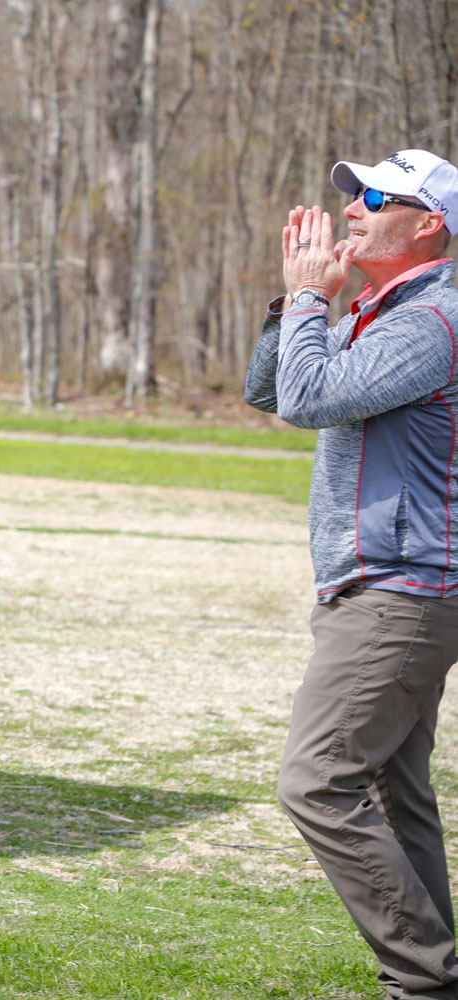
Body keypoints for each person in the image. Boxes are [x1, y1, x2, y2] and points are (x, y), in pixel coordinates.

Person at [245, 148, 458, 999]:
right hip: (382, 588)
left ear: (430, 224)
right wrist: (294, 304)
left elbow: (309, 401)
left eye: (375, 196)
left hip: (402, 591)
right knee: (392, 793)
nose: (353, 209)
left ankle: (425, 979)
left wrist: (310, 300)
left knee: (316, 781)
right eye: (354, 194)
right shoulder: (384, 310)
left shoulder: (431, 321)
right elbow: (272, 390)